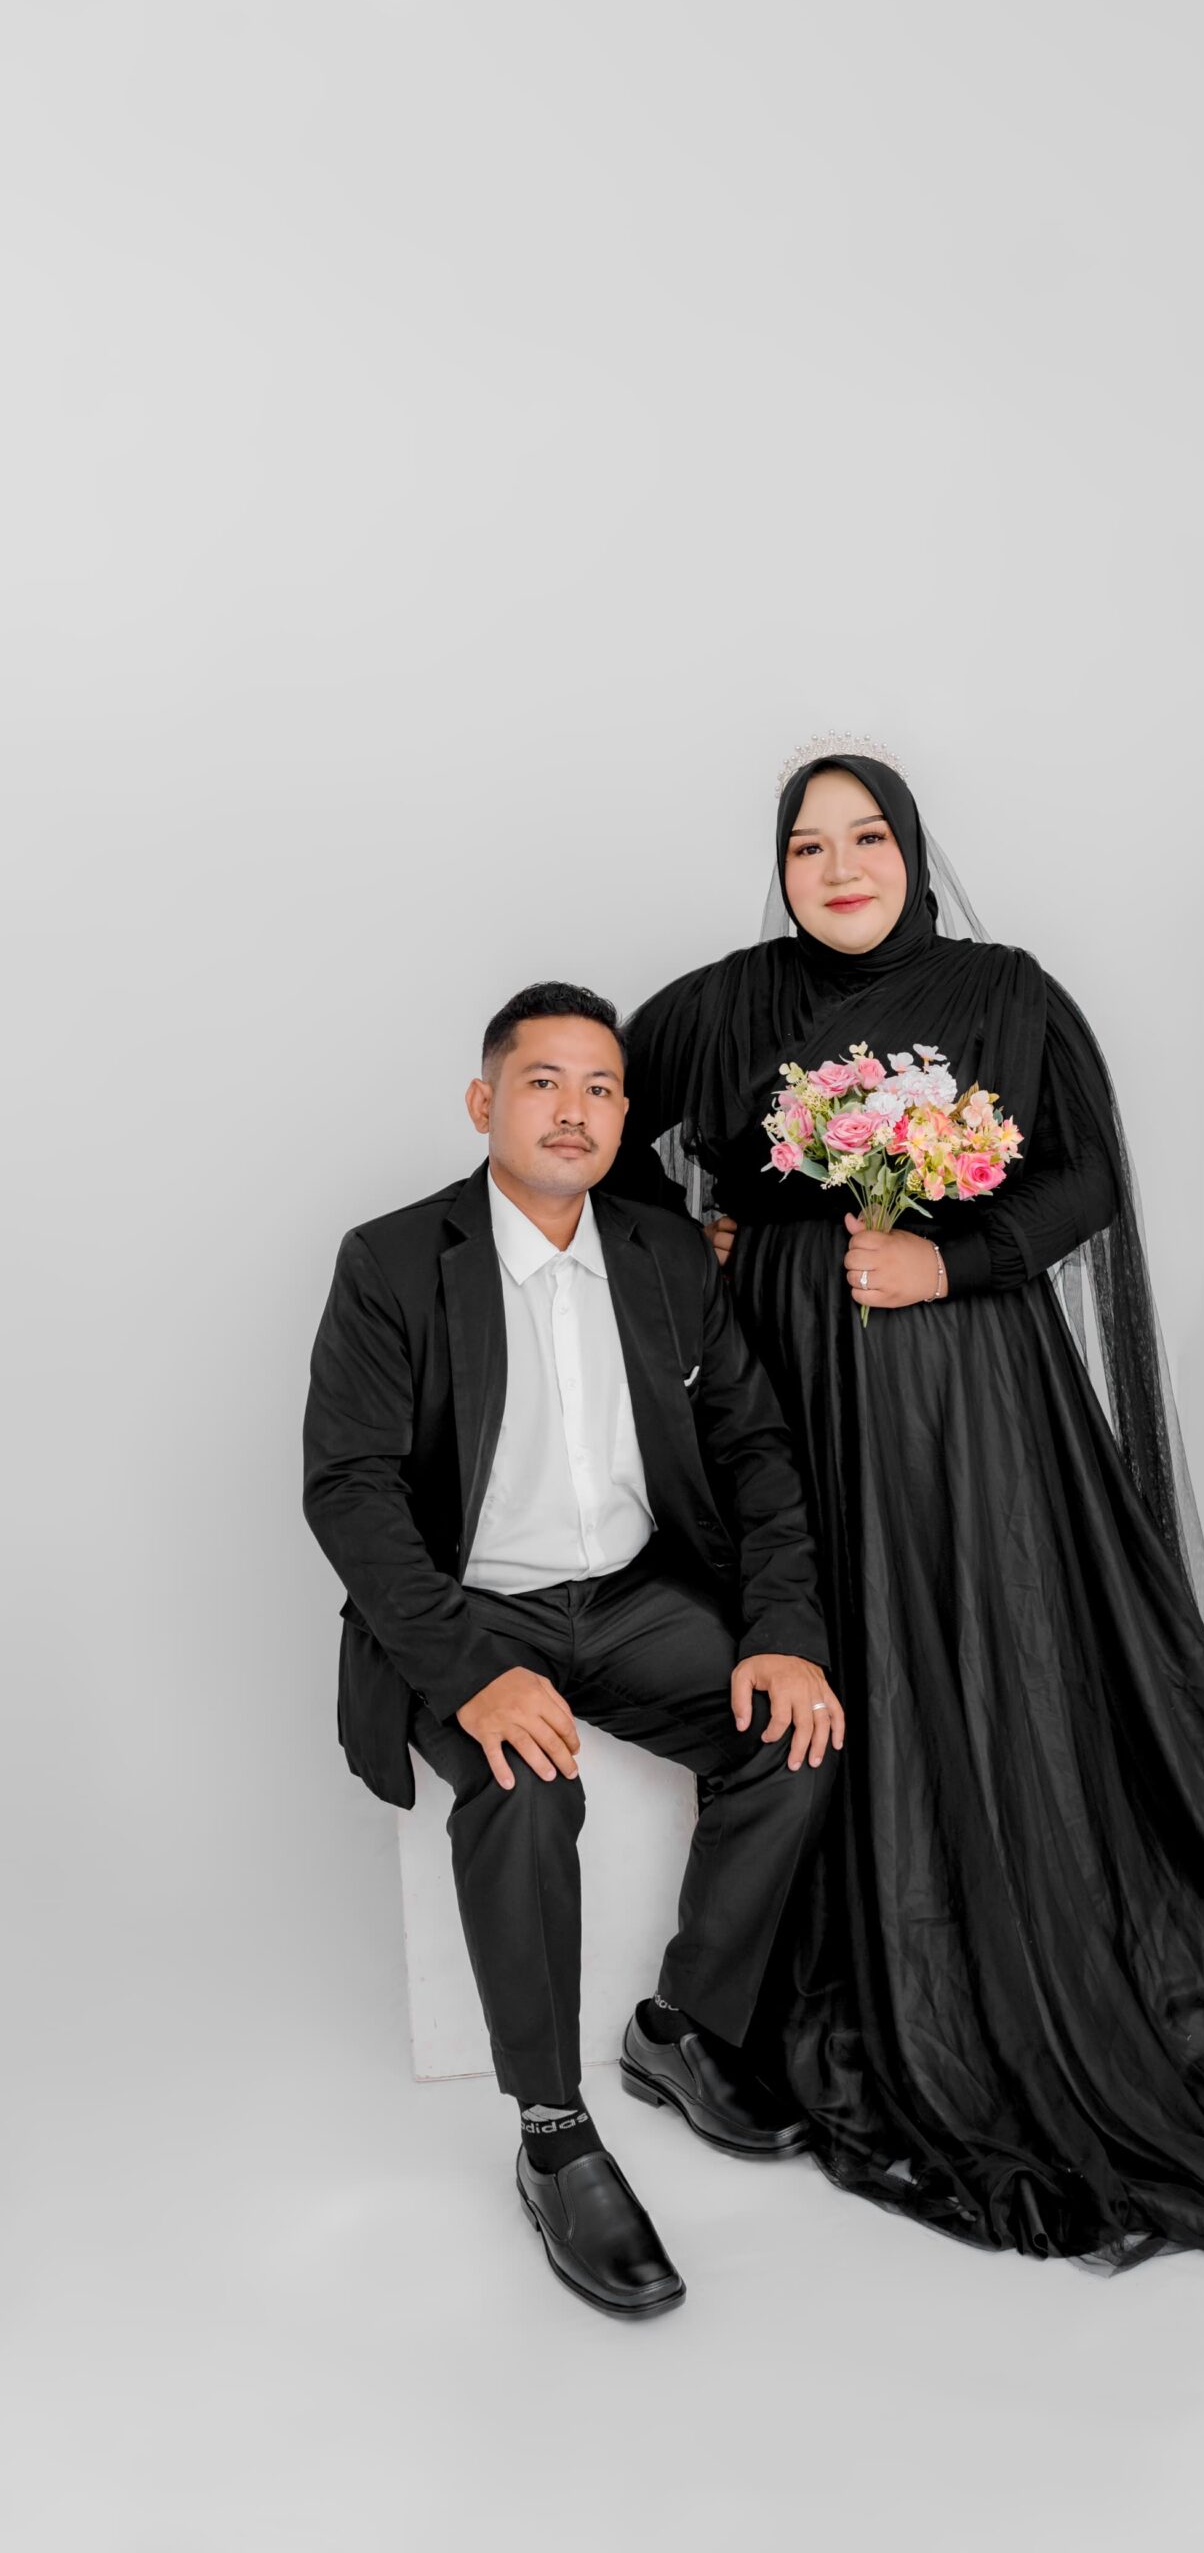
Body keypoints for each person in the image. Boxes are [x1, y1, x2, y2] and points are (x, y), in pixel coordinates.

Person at [607, 743, 1204, 2272]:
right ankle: (831, 1934)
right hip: (792, 1387)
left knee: (984, 1631)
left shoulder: (1005, 994)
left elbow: (1084, 1179)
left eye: (867, 839)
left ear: (913, 851)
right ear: (778, 869)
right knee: (840, 1626)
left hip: (971, 1388)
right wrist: (695, 1246)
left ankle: (1008, 1888)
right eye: (807, 846)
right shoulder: (720, 1006)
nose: (839, 868)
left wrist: (945, 1259)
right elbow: (598, 1128)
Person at [303, 981, 843, 2318]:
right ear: (484, 1103)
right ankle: (554, 2134)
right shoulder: (392, 1260)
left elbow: (756, 1451)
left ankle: (681, 2028)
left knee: (798, 1733)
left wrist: (783, 1633)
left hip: (634, 1596)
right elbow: (351, 1491)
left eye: (600, 1088)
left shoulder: (664, 1254)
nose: (574, 1110)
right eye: (542, 1082)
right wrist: (470, 1673)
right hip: (471, 1609)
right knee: (527, 1784)